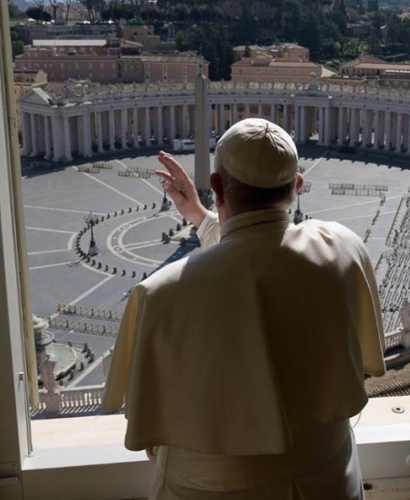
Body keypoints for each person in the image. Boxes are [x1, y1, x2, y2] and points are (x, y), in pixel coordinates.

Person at [103, 118, 385, 500]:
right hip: (329, 479)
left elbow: (149, 427)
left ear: (217, 185)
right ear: (298, 186)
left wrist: (208, 216)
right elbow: (267, 248)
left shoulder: (159, 294)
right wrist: (202, 218)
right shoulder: (344, 246)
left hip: (208, 489)